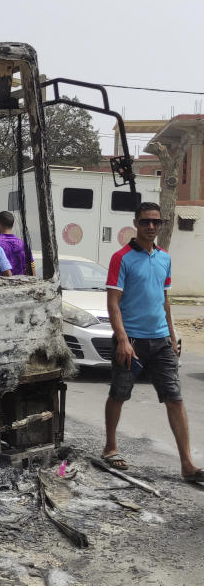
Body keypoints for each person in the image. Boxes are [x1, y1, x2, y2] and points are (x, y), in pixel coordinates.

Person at [103, 202, 202, 481]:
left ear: (160, 226)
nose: (151, 227)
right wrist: (122, 339)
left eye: (156, 222)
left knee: (175, 398)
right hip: (131, 340)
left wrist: (172, 337)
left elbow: (165, 300)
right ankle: (110, 447)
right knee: (119, 394)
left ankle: (187, 465)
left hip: (160, 340)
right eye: (146, 221)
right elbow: (113, 303)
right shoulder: (121, 257)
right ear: (136, 223)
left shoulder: (165, 258)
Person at [0, 211, 34, 276]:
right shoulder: (24, 245)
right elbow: (32, 268)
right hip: (21, 284)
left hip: (0, 285)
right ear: (12, 225)